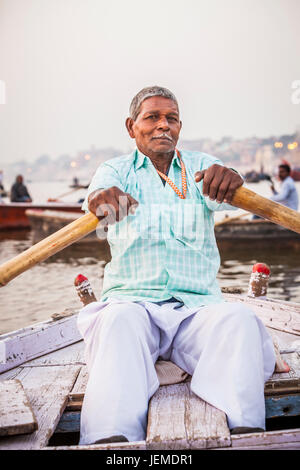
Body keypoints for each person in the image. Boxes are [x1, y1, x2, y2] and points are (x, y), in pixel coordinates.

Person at [77, 86, 276, 445]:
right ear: (131, 126)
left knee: (241, 319)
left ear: (180, 126)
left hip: (197, 309)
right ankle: (111, 439)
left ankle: (248, 433)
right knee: (118, 321)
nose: (163, 126)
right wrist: (100, 199)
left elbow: (233, 193)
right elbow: (97, 199)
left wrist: (230, 177)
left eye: (171, 118)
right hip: (133, 304)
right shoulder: (115, 170)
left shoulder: (201, 168)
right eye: (152, 117)